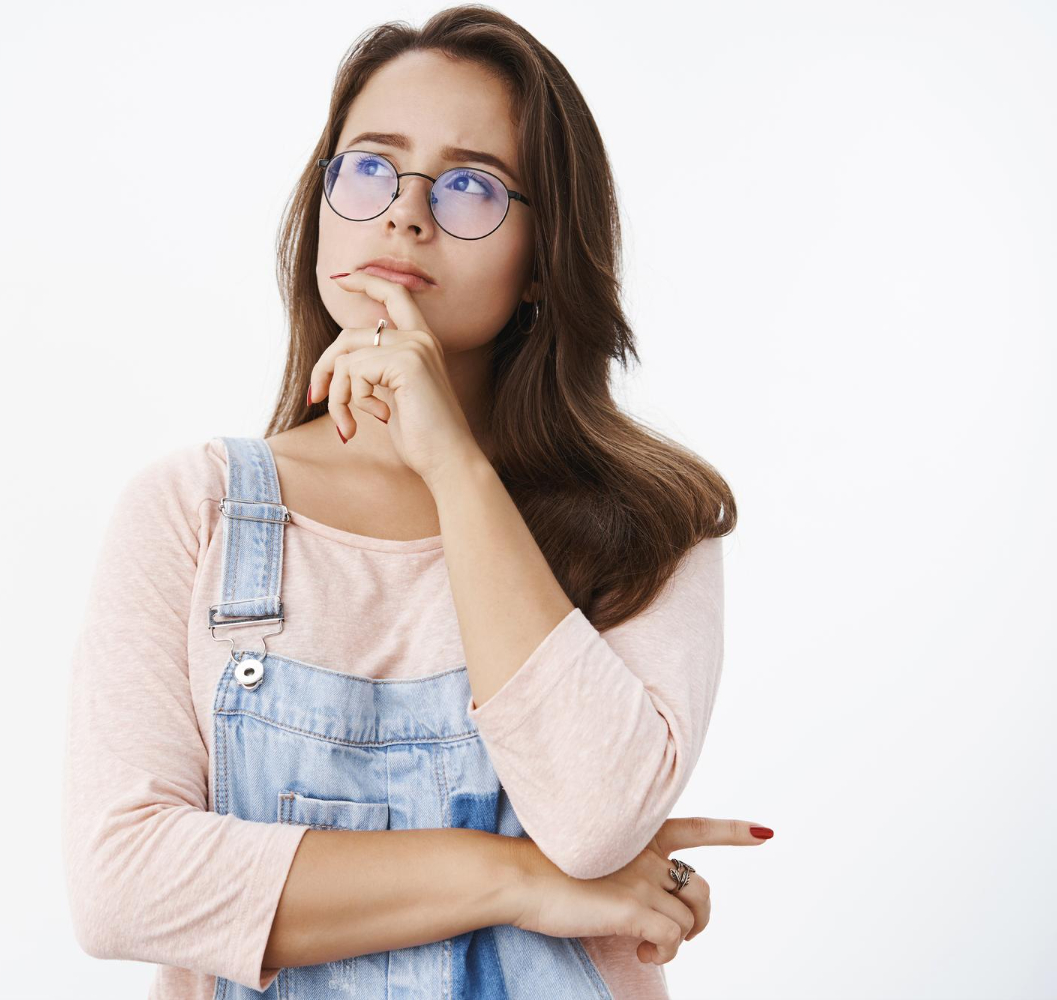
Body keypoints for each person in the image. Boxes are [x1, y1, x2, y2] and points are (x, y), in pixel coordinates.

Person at [62, 7, 772, 998]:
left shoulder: (651, 522)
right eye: (370, 167)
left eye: (470, 184)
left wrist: (455, 468)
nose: (404, 213)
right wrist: (517, 879)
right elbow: (123, 886)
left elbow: (594, 820)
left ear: (543, 255)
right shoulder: (195, 511)